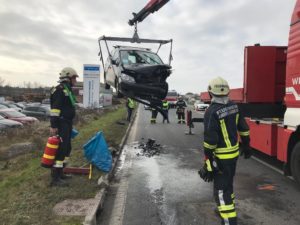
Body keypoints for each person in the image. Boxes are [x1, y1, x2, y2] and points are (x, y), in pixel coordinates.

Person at [198, 77, 251, 225]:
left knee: (221, 191)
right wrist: (246, 145)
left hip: (221, 158)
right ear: (227, 91)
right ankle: (225, 209)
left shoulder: (211, 111)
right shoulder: (234, 106)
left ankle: (228, 220)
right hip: (233, 156)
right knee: (228, 185)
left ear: (210, 93)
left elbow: (210, 141)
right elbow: (244, 128)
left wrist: (208, 161)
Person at [49, 67, 78, 187]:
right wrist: (54, 125)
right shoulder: (59, 90)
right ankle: (55, 178)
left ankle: (61, 172)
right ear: (68, 77)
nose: (75, 80)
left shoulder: (67, 89)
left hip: (67, 123)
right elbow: (55, 109)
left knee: (67, 148)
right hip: (61, 123)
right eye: (74, 78)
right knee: (61, 149)